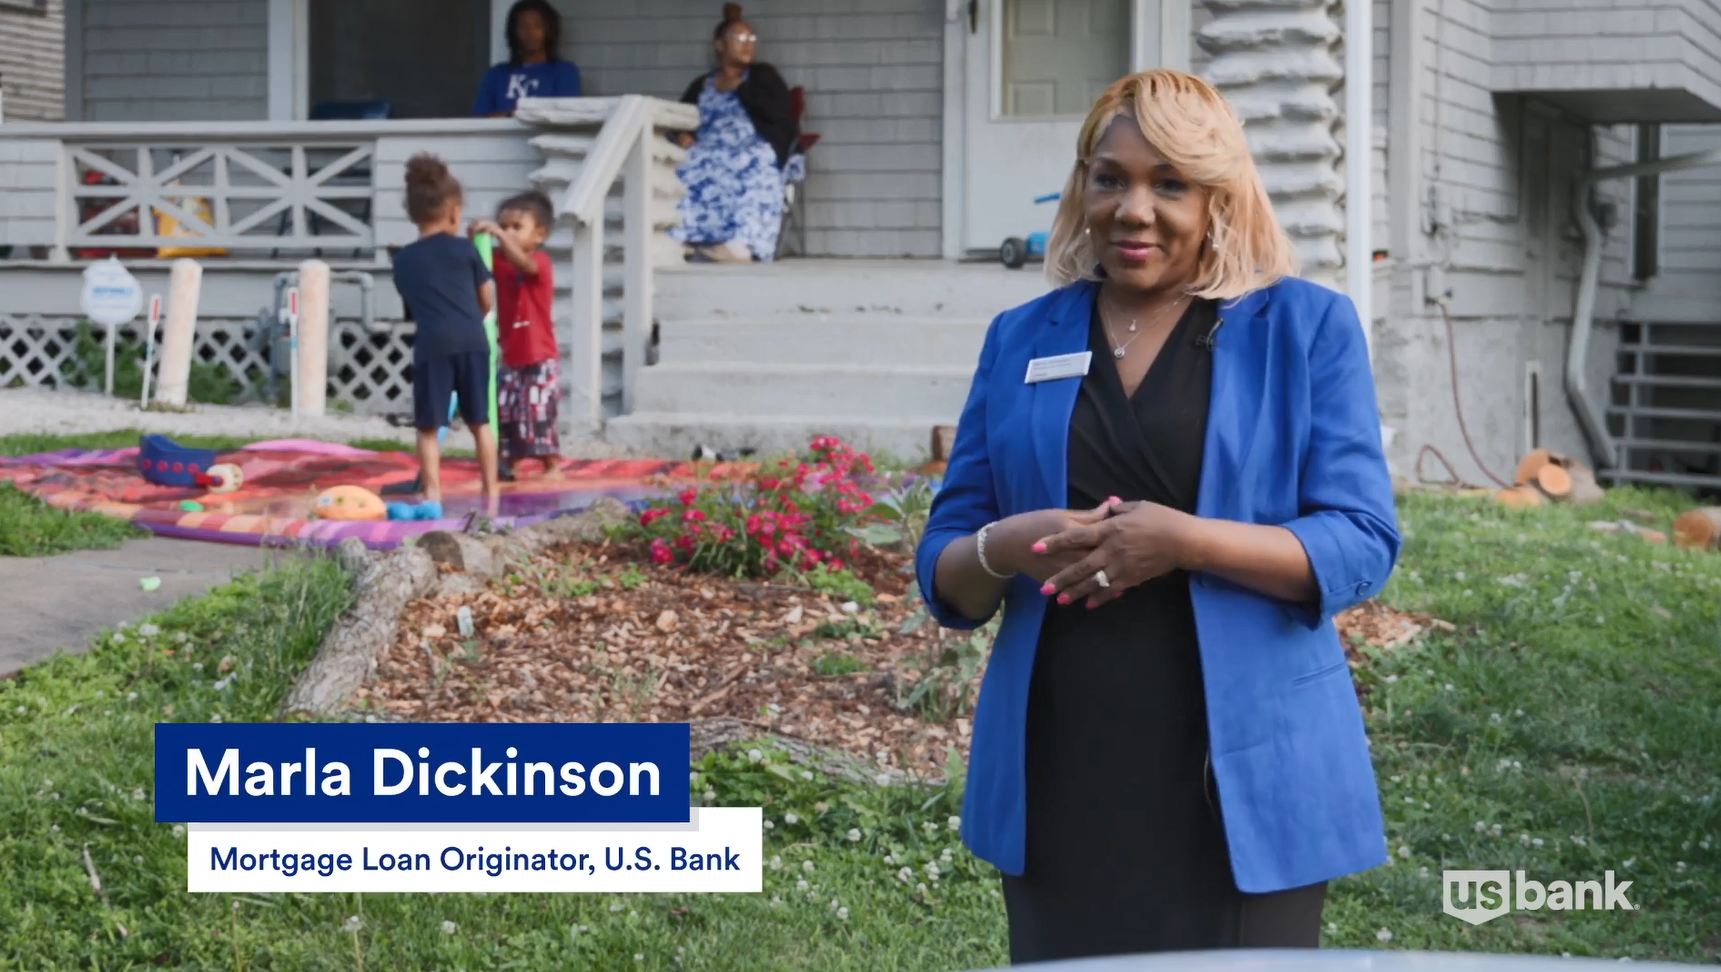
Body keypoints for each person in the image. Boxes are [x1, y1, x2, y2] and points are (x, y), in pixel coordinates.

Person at [914, 69, 1400, 964]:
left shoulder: (1303, 327)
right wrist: (1001, 545)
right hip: (1062, 756)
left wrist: (1180, 542)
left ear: (1218, 194)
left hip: (1244, 770)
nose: (1133, 209)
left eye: (1168, 183)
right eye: (1111, 178)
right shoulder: (1022, 336)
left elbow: (1362, 543)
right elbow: (947, 562)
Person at [392, 153, 502, 516]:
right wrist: (475, 316)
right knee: (480, 422)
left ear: (413, 214)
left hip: (432, 344)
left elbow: (413, 302)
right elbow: (486, 298)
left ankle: (433, 495)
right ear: (454, 210)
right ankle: (491, 491)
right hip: (472, 339)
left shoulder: (404, 259)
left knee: (428, 426)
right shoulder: (465, 249)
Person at [668, 4, 798, 264]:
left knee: (750, 162)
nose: (747, 44)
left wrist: (740, 87)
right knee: (688, 162)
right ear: (719, 45)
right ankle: (689, 240)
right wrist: (683, 134)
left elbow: (779, 112)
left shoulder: (763, 75)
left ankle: (741, 245)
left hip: (754, 144)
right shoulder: (702, 84)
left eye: (750, 38)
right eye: (738, 38)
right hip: (711, 146)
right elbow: (679, 117)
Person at [469, 191, 561, 480]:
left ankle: (551, 465)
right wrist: (476, 238)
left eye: (515, 227)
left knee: (538, 411)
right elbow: (478, 262)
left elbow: (525, 265)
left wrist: (498, 234)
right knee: (508, 410)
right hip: (509, 352)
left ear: (539, 235)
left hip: (539, 353)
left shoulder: (540, 262)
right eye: (503, 226)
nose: (506, 232)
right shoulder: (499, 261)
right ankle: (511, 463)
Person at [475, 0, 582, 118]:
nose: (530, 33)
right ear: (514, 32)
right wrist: (516, 114)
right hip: (500, 137)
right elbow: (480, 121)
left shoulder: (564, 72)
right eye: (523, 27)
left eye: (537, 26)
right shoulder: (496, 74)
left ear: (549, 30)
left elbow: (562, 117)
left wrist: (512, 114)